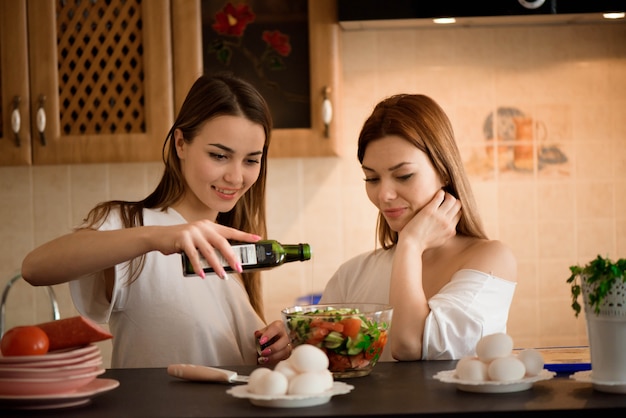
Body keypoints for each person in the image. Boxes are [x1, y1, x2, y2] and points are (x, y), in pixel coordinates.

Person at [21, 73, 292, 368]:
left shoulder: (234, 246)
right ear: (180, 144)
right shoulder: (131, 223)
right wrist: (157, 237)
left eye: (251, 160)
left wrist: (272, 346)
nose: (236, 177)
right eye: (219, 156)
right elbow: (35, 268)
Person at [320, 94, 517, 361]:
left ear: (444, 171)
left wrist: (411, 245)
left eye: (404, 176)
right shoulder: (351, 275)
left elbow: (409, 345)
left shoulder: (491, 258)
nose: (384, 195)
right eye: (372, 178)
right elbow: (320, 362)